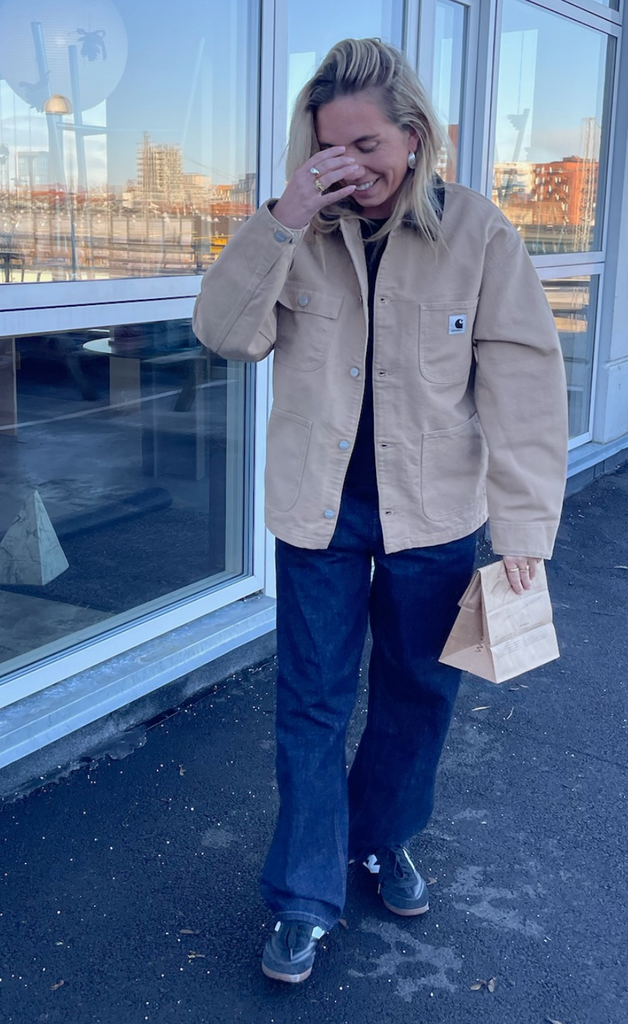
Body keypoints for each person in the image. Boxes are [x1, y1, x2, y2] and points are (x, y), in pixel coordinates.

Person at [192, 37, 568, 984]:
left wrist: (523, 530)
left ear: (412, 137)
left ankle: (380, 837)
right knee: (310, 705)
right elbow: (223, 333)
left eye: (366, 146)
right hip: (316, 515)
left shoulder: (478, 233)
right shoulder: (295, 232)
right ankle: (302, 896)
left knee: (417, 695)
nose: (350, 167)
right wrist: (282, 220)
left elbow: (522, 384)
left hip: (433, 515)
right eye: (331, 149)